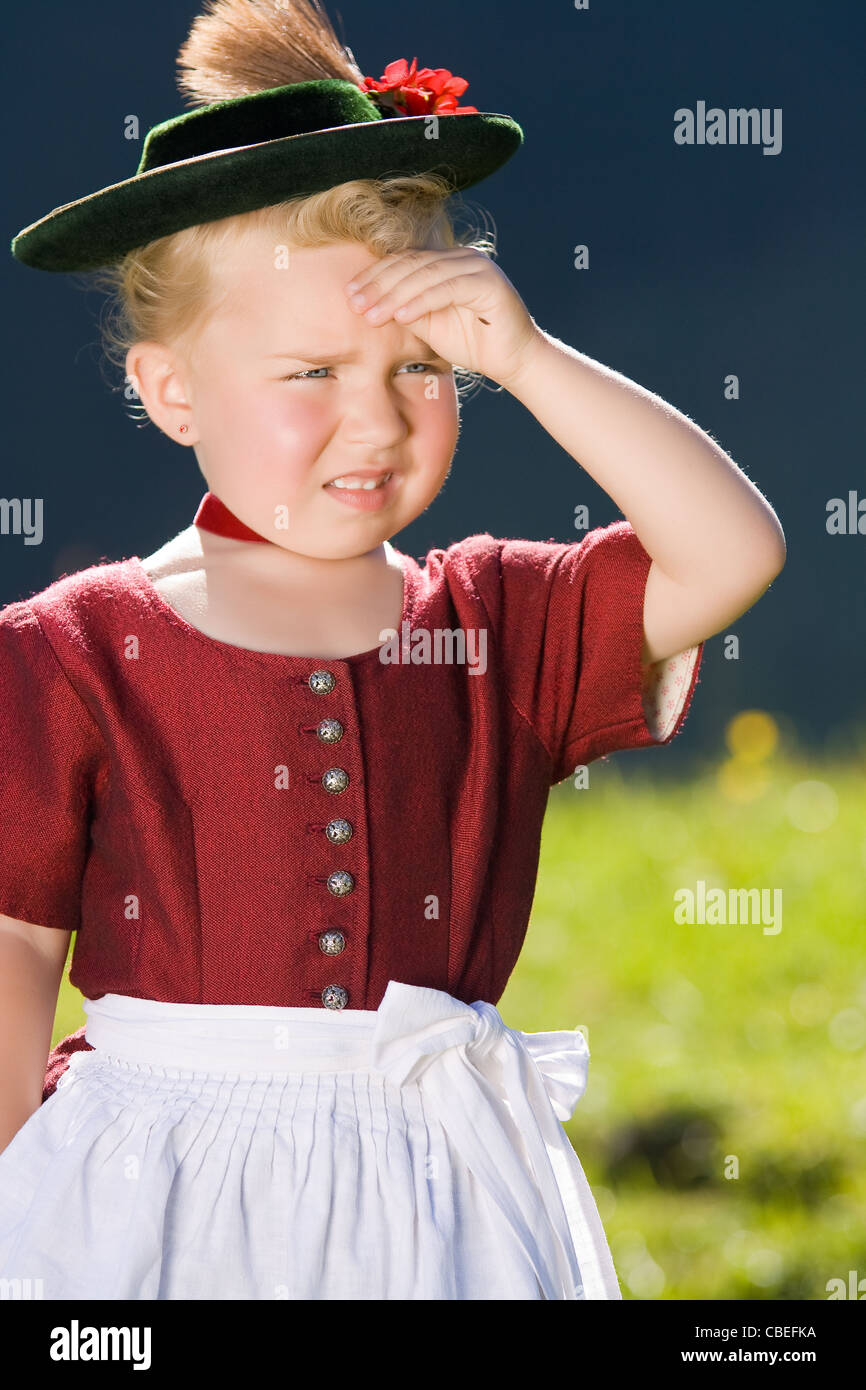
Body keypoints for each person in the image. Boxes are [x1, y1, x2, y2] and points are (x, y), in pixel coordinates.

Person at [0, 0, 785, 1300]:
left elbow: (731, 552)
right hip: (157, 1192)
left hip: (440, 1196)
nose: (373, 422)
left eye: (420, 368)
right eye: (309, 374)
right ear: (171, 389)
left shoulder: (495, 620)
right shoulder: (70, 652)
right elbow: (17, 950)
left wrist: (529, 359)